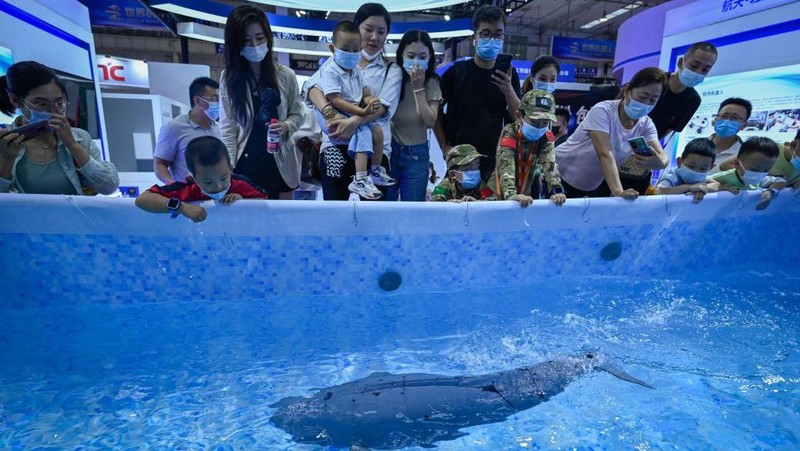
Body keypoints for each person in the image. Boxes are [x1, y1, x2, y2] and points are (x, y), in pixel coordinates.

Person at [305, 3, 403, 201]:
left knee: (373, 217)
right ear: (356, 28)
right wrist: (330, 112)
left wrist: (353, 121)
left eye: (381, 32)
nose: (374, 37)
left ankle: (373, 173)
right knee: (336, 212)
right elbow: (311, 89)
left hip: (374, 151)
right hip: (335, 145)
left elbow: (383, 108)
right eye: (368, 29)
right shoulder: (334, 63)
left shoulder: (391, 70)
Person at [219, 4, 304, 200]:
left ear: (268, 38)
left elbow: (298, 114)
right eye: (246, 40)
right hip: (245, 164)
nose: (255, 46)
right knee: (248, 225)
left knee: (282, 224)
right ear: (236, 43)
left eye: (259, 38)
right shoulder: (229, 78)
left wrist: (286, 125)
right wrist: (228, 167)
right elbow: (228, 128)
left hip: (280, 163)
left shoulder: (286, 75)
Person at [0, 61, 118, 195]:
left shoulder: (79, 138)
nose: (53, 110)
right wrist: (5, 160)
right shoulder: (4, 143)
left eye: (59, 102)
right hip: (23, 216)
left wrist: (72, 145)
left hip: (75, 216)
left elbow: (108, 186)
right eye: (41, 103)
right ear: (15, 100)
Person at [434, 4, 521, 183]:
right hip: (460, 159)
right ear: (475, 38)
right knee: (458, 208)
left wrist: (508, 91)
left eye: (498, 34)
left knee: (491, 209)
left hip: (494, 161)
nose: (492, 39)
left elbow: (520, 119)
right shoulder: (455, 73)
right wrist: (444, 146)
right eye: (486, 33)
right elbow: (435, 114)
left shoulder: (509, 76)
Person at [556, 67, 669, 199]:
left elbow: (663, 158)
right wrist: (618, 191)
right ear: (627, 91)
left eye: (653, 100)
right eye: (643, 96)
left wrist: (659, 163)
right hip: (558, 176)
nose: (646, 103)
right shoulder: (603, 111)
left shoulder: (646, 124)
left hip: (589, 186)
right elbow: (605, 154)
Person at [317, 20, 391, 200]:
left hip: (356, 113)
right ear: (333, 48)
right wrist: (361, 113)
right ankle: (360, 179)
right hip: (340, 117)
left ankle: (375, 170)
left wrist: (370, 100)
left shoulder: (356, 69)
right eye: (346, 49)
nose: (352, 54)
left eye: (356, 49)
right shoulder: (329, 70)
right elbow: (335, 99)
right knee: (364, 134)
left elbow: (365, 92)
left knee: (377, 131)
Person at [135, 136, 269, 222]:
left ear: (231, 168)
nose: (218, 186)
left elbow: (265, 202)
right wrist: (181, 207)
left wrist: (242, 201)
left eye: (223, 178)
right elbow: (142, 200)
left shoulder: (240, 183)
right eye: (208, 182)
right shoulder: (187, 189)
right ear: (193, 177)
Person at [386, 30, 442, 201]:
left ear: (430, 56)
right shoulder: (393, 77)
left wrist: (418, 89)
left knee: (412, 210)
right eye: (411, 55)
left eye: (422, 56)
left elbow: (430, 121)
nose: (416, 61)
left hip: (416, 154)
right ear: (401, 55)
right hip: (390, 151)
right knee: (384, 208)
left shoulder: (431, 81)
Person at [486, 89, 565, 207]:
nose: (539, 127)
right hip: (496, 192)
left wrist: (556, 189)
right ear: (519, 116)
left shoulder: (546, 136)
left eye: (544, 123)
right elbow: (506, 163)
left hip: (524, 194)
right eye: (534, 121)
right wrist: (510, 194)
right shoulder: (510, 131)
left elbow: (550, 163)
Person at [153, 77, 221, 184]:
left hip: (217, 193)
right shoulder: (174, 128)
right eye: (214, 99)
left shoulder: (220, 128)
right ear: (197, 100)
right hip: (189, 196)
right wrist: (173, 184)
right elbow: (160, 164)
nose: (219, 104)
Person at [648, 42, 718, 140]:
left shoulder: (693, 100)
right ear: (681, 63)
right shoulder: (653, 81)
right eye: (694, 66)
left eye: (705, 70)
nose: (698, 72)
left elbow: (670, 129)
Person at [711, 137, 785, 210]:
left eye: (766, 170)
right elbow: (703, 182)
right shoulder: (725, 177)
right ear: (737, 164)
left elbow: (781, 181)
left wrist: (771, 192)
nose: (760, 174)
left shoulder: (760, 181)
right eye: (755, 169)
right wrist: (720, 187)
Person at [654, 137, 723, 203]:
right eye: (691, 166)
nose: (696, 171)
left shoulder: (703, 177)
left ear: (711, 168)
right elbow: (657, 192)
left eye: (703, 169)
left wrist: (702, 188)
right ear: (679, 162)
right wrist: (689, 187)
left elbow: (717, 185)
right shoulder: (672, 176)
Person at [707, 97, 751, 174]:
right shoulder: (695, 145)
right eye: (724, 116)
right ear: (715, 119)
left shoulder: (745, 154)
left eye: (735, 117)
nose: (727, 121)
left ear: (744, 125)